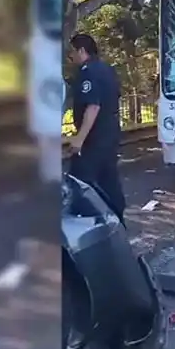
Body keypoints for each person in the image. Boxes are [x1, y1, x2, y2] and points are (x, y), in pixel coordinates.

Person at [66, 33, 127, 220]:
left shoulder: (88, 72)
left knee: (79, 179)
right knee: (108, 178)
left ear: (82, 51)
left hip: (95, 137)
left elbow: (93, 106)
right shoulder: (107, 69)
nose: (71, 58)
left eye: (72, 53)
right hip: (110, 133)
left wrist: (80, 139)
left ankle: (83, 224)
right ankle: (117, 216)